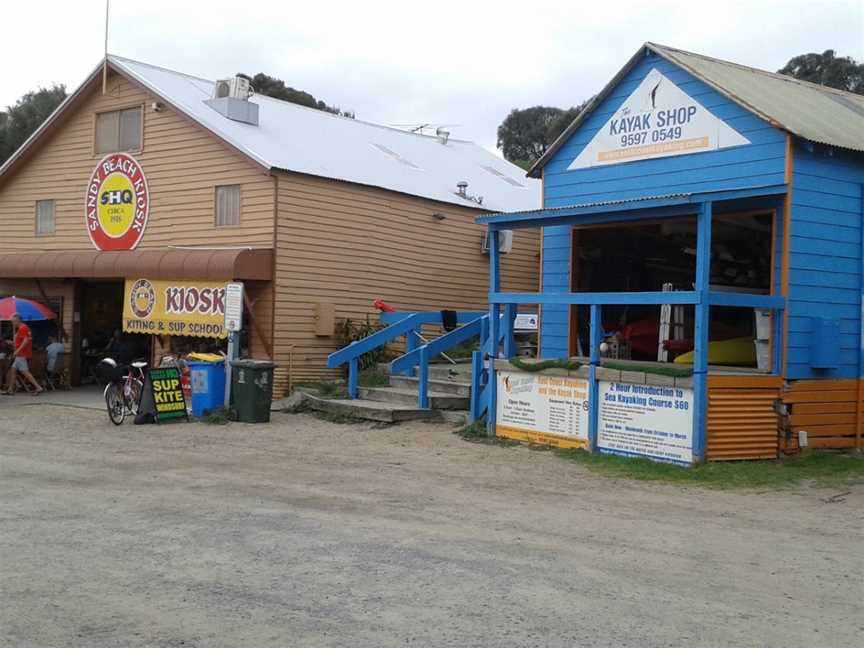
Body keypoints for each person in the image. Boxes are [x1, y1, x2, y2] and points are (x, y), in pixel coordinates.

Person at [2, 313, 43, 395]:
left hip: (21, 354)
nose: (12, 323)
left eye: (13, 321)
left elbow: (26, 341)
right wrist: (12, 343)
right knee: (13, 370)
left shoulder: (23, 328)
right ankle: (10, 390)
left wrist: (17, 351)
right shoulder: (22, 328)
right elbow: (21, 341)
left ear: (18, 320)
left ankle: (38, 387)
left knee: (25, 371)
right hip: (20, 353)